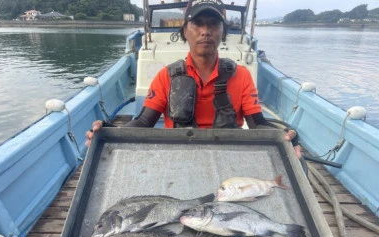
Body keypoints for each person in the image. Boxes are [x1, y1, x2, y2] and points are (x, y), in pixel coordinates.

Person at [85, 0, 300, 157]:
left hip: (230, 154)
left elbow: (257, 124)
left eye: (213, 24)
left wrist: (286, 135)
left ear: (223, 33)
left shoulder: (241, 75)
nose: (205, 31)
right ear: (185, 31)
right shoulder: (166, 77)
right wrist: (109, 132)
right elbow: (143, 122)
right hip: (180, 153)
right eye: (197, 23)